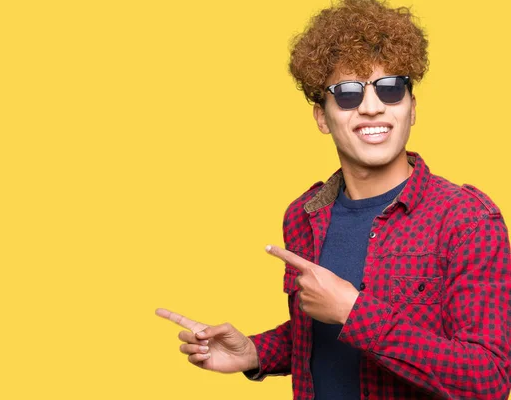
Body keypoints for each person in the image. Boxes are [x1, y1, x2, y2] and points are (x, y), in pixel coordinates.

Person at [156, 0, 511, 398]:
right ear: (322, 116)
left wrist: (355, 313)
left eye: (391, 89)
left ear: (412, 108)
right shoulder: (304, 216)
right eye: (347, 93)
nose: (372, 107)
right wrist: (255, 352)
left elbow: (489, 379)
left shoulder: (466, 220)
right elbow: (318, 336)